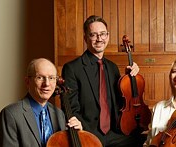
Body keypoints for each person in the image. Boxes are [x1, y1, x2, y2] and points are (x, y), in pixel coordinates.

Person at [61, 15, 143, 147]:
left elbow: (121, 104)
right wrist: (84, 132)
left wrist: (129, 79)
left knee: (142, 140)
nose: (99, 39)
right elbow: (71, 108)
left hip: (114, 133)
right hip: (88, 132)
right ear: (85, 38)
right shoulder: (72, 68)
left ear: (108, 36)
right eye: (93, 35)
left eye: (102, 34)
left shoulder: (112, 68)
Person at [0, 58, 82, 147]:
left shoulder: (59, 115)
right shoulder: (11, 114)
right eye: (40, 77)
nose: (47, 84)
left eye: (51, 78)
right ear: (27, 82)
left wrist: (79, 135)